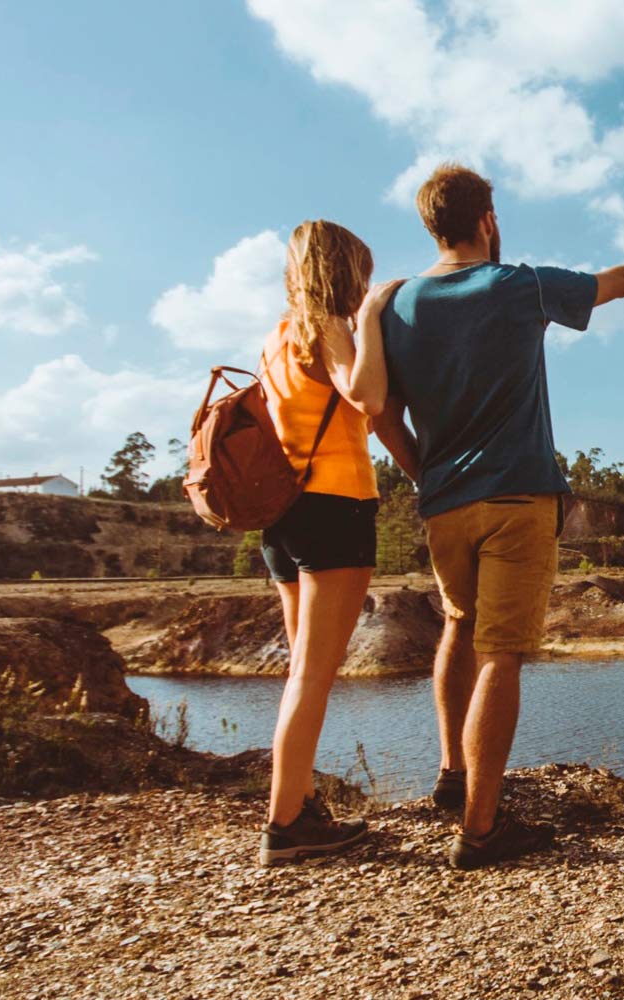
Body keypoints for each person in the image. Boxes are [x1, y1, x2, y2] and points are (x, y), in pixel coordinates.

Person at [372, 163, 624, 869]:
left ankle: (452, 775)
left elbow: (382, 414)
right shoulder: (518, 285)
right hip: (516, 498)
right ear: (488, 220)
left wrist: (425, 474)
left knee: (458, 624)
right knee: (501, 654)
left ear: (432, 226)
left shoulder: (397, 305)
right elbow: (610, 283)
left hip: (443, 504)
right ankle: (481, 829)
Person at [257, 219, 403, 865]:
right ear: (346, 273)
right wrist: (369, 317)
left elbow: (324, 415)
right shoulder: (331, 327)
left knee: (302, 672)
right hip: (334, 509)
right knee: (314, 676)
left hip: (284, 517)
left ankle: (301, 805)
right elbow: (366, 396)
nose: (366, 285)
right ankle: (285, 824)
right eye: (363, 275)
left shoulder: (278, 336)